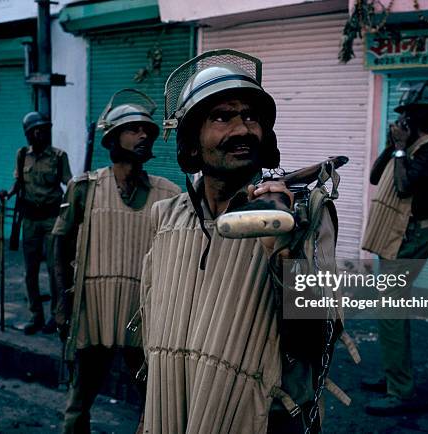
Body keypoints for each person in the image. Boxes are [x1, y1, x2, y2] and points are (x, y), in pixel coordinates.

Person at [139, 50, 346, 434]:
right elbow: (154, 330)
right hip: (173, 408)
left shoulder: (298, 215)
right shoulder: (168, 216)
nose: (242, 129)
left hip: (258, 419)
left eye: (251, 117)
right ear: (191, 140)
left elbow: (314, 341)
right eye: (222, 117)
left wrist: (285, 254)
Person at [51, 89, 181, 434]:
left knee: (155, 397)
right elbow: (60, 245)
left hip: (141, 315)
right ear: (112, 139)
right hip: (93, 311)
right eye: (133, 130)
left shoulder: (168, 194)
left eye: (147, 132)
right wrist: (62, 302)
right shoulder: (84, 187)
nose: (143, 136)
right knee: (79, 398)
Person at [361, 80, 428, 415]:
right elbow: (375, 177)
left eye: (405, 117)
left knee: (391, 311)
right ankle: (393, 377)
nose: (400, 122)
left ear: (416, 118)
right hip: (398, 236)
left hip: (412, 238)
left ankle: (399, 390)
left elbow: (403, 187)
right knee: (390, 313)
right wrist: (392, 146)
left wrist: (401, 148)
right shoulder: (409, 149)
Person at [0, 111, 72, 335]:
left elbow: (69, 184)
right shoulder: (22, 156)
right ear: (27, 134)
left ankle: (55, 315)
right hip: (30, 220)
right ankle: (36, 315)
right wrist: (7, 195)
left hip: (51, 219)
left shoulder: (58, 156)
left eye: (43, 129)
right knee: (30, 271)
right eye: (34, 131)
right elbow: (18, 184)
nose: (39, 133)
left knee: (54, 269)